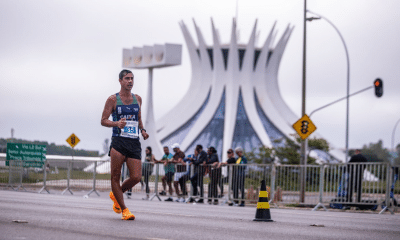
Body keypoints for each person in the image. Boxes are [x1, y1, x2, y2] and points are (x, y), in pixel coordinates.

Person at [101, 69, 149, 220]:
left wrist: (143, 130)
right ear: (120, 81)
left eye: (132, 79)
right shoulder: (113, 99)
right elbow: (103, 120)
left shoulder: (138, 99)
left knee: (136, 177)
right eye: (127, 79)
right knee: (115, 176)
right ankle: (124, 210)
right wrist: (116, 123)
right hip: (118, 142)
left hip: (134, 142)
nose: (130, 81)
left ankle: (116, 194)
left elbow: (139, 117)